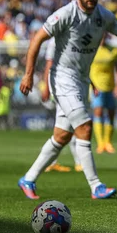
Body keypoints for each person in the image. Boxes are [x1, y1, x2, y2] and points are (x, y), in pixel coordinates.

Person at [18, 0, 117, 200]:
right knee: (85, 128)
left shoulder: (103, 16)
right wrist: (29, 75)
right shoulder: (65, 14)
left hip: (80, 81)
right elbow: (37, 40)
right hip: (61, 79)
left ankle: (28, 179)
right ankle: (96, 186)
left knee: (61, 136)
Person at [41, 37, 80, 173]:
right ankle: (79, 162)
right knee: (76, 123)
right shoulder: (55, 40)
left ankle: (50, 163)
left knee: (65, 128)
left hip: (72, 86)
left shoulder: (75, 35)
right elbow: (49, 64)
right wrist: (46, 87)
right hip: (62, 87)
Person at [90, 34, 117, 154]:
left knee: (111, 113)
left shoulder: (114, 51)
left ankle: (108, 142)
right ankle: (100, 143)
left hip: (110, 87)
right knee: (98, 111)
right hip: (96, 87)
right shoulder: (91, 50)